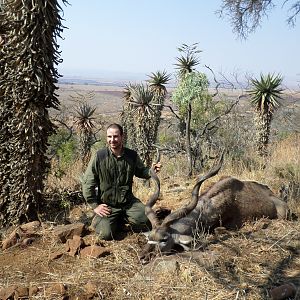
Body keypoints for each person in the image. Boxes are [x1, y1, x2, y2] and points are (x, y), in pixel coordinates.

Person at [82, 123, 161, 240]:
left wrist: (151, 171)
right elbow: (88, 182)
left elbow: (141, 171)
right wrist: (95, 206)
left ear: (122, 137)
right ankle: (108, 220)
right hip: (108, 205)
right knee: (105, 234)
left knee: (146, 223)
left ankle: (122, 217)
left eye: (115, 136)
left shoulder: (132, 155)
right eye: (109, 137)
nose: (112, 140)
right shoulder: (99, 156)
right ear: (106, 137)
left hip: (128, 202)